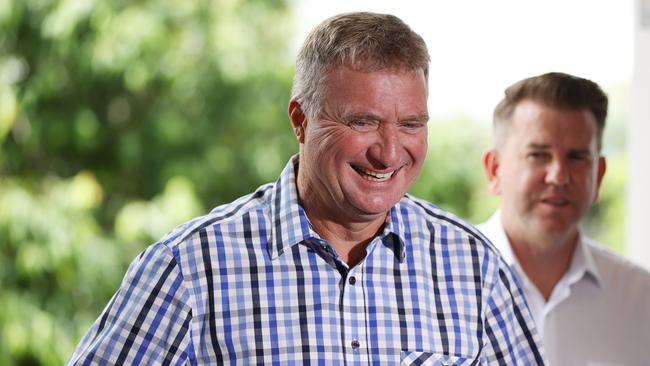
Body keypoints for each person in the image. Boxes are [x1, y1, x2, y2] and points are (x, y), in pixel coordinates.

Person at [68, 12, 544, 365]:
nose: (390, 151)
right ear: (301, 120)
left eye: (411, 124)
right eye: (363, 121)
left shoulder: (476, 267)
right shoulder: (189, 269)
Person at [479, 72, 650, 365]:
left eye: (577, 157)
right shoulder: (431, 287)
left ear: (598, 174)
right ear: (495, 170)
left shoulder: (641, 300)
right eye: (538, 154)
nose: (559, 175)